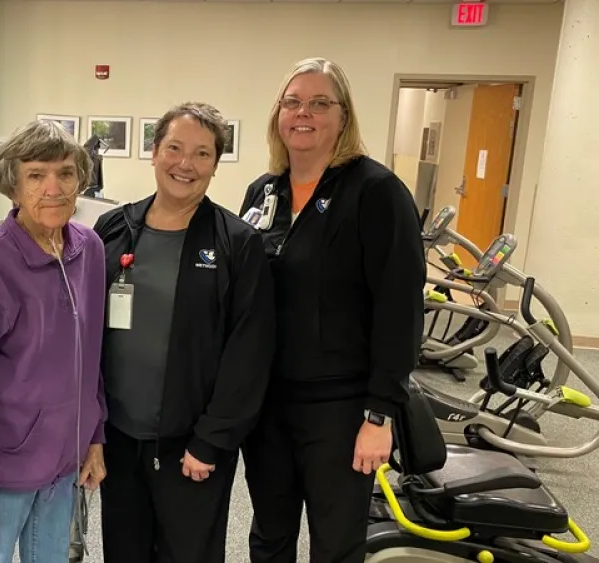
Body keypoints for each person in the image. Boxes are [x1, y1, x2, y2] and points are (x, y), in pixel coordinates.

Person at [239, 57, 426, 563]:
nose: (305, 113)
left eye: (320, 103)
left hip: (341, 411)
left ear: (343, 117)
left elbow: (400, 309)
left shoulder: (376, 191)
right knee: (269, 535)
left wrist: (380, 414)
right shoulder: (264, 190)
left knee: (336, 543)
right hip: (268, 407)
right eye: (293, 101)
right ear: (278, 114)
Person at [93, 102, 275, 563]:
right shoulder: (113, 230)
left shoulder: (235, 244)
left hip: (191, 447)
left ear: (215, 164)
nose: (185, 164)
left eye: (201, 153)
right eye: (174, 148)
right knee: (123, 551)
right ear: (154, 153)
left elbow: (248, 353)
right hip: (119, 438)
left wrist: (211, 441)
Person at [0, 119, 108, 562]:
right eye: (36, 175)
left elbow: (90, 355)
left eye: (66, 173)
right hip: (2, 471)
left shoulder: (89, 249)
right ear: (13, 185)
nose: (53, 188)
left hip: (62, 465)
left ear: (81, 180)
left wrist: (93, 436)